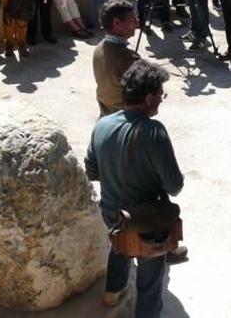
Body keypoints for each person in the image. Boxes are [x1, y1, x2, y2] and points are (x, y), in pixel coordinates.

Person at [84, 59, 183, 316]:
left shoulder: (102, 124)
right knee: (150, 282)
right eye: (161, 95)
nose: (161, 100)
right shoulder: (154, 132)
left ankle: (112, 292)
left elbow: (92, 171)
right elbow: (175, 186)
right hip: (146, 223)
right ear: (149, 98)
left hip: (112, 215)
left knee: (119, 247)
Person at [93, 0, 140, 116]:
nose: (137, 22)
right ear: (117, 23)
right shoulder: (129, 59)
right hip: (125, 122)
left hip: (105, 116)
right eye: (132, 19)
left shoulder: (98, 49)